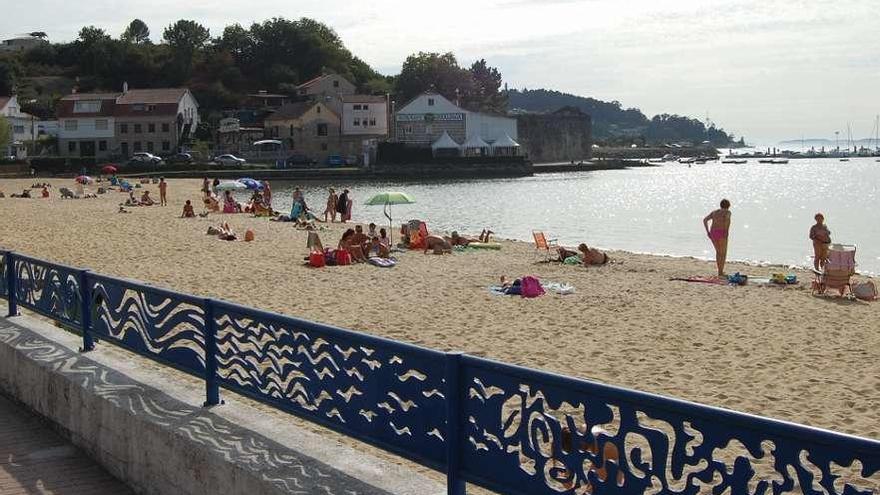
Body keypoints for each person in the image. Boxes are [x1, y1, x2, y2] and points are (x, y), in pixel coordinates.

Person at [703, 199, 732, 277]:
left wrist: (707, 231)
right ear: (728, 206)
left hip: (713, 233)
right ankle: (720, 272)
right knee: (723, 253)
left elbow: (705, 220)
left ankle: (720, 271)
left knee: (718, 252)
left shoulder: (714, 212)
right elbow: (727, 221)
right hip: (722, 232)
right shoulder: (727, 212)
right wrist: (726, 232)